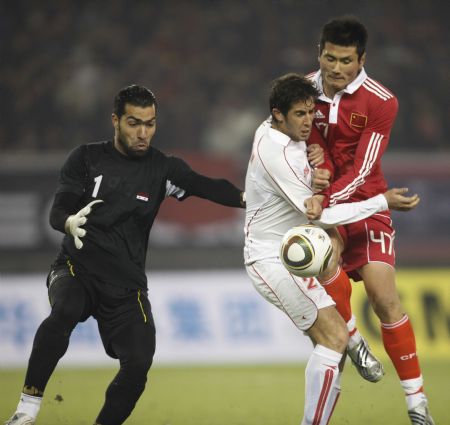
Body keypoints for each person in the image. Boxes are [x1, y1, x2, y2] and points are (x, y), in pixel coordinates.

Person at [5, 84, 246, 425]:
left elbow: (208, 187)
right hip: (76, 269)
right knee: (66, 309)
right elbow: (57, 210)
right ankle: (27, 410)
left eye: (150, 124)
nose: (143, 132)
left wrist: (247, 199)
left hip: (126, 286)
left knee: (138, 363)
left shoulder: (163, 169)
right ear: (115, 121)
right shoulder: (86, 158)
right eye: (134, 123)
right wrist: (69, 221)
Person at [244, 73, 419, 425]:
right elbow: (325, 213)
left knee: (333, 339)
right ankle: (350, 346)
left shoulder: (277, 130)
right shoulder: (273, 152)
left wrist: (317, 168)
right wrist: (379, 201)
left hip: (292, 250)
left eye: (311, 113)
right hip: (271, 258)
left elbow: (310, 178)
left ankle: (353, 342)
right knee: (333, 337)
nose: (309, 122)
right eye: (299, 115)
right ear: (278, 114)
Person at [307, 16, 435, 424]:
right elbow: (298, 144)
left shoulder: (381, 101)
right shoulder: (302, 91)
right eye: (330, 58)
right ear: (320, 53)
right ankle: (355, 340)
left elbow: (363, 170)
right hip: (324, 205)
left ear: (362, 59)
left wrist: (324, 200)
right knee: (322, 260)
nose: (336, 68)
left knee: (384, 297)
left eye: (346, 60)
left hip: (365, 204)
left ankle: (417, 404)